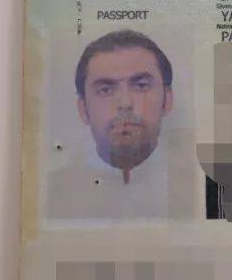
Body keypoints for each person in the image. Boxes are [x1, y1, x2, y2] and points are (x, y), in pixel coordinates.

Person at [74, 29, 173, 184]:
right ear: (83, 109)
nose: (125, 103)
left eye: (141, 86)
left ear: (167, 100)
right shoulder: (52, 187)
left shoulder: (196, 183)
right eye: (105, 90)